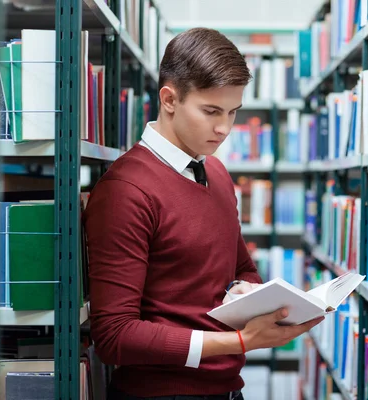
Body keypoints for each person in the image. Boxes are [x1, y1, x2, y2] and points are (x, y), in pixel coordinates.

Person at [83, 27, 323, 400]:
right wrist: (240, 340)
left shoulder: (218, 174)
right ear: (169, 99)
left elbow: (241, 268)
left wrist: (244, 292)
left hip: (228, 390)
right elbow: (114, 336)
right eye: (211, 111)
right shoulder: (125, 190)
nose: (224, 128)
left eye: (232, 112)